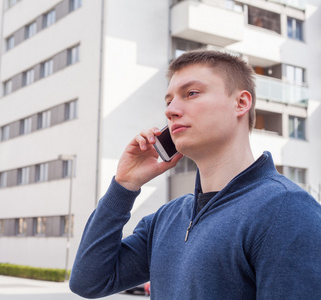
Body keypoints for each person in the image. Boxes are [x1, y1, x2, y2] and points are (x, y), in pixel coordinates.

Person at [69, 50, 321, 299]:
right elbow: (89, 282)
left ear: (241, 103)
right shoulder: (166, 219)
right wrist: (124, 186)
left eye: (191, 93)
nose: (171, 111)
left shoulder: (286, 209)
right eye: (168, 101)